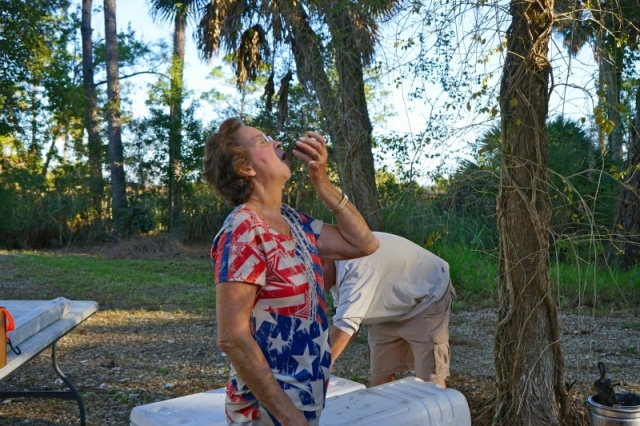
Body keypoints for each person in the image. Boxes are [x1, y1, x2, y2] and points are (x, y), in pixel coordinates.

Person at [204, 117, 379, 426]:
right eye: (261, 141)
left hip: (305, 401)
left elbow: (364, 243)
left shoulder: (294, 221)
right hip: (268, 413)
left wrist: (322, 182)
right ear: (246, 168)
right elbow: (232, 337)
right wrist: (290, 418)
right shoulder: (243, 229)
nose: (276, 143)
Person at [322, 231, 455, 388]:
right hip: (389, 309)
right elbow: (348, 319)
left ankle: (442, 411)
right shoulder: (336, 262)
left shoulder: (356, 265)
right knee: (380, 376)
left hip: (427, 296)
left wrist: (321, 365)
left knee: (430, 380)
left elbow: (346, 323)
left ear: (323, 262)